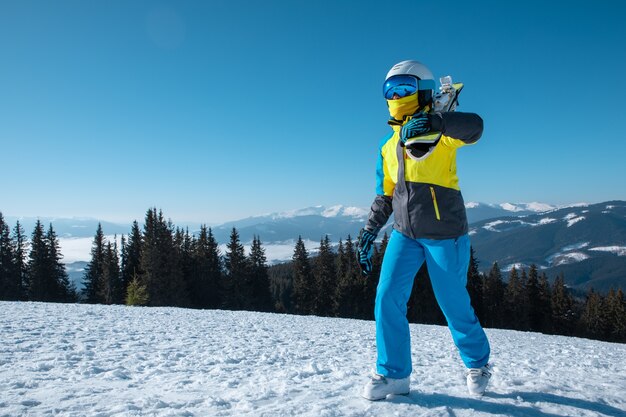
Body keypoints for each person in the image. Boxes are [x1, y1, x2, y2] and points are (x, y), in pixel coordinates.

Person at [357, 60, 491, 400]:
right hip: (405, 234)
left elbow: (475, 127)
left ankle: (477, 362)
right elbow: (385, 194)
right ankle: (394, 375)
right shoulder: (388, 146)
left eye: (405, 87)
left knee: (453, 302)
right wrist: (371, 229)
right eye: (391, 89)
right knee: (387, 298)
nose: (397, 95)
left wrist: (439, 121)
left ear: (424, 90)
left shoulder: (442, 133)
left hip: (446, 234)